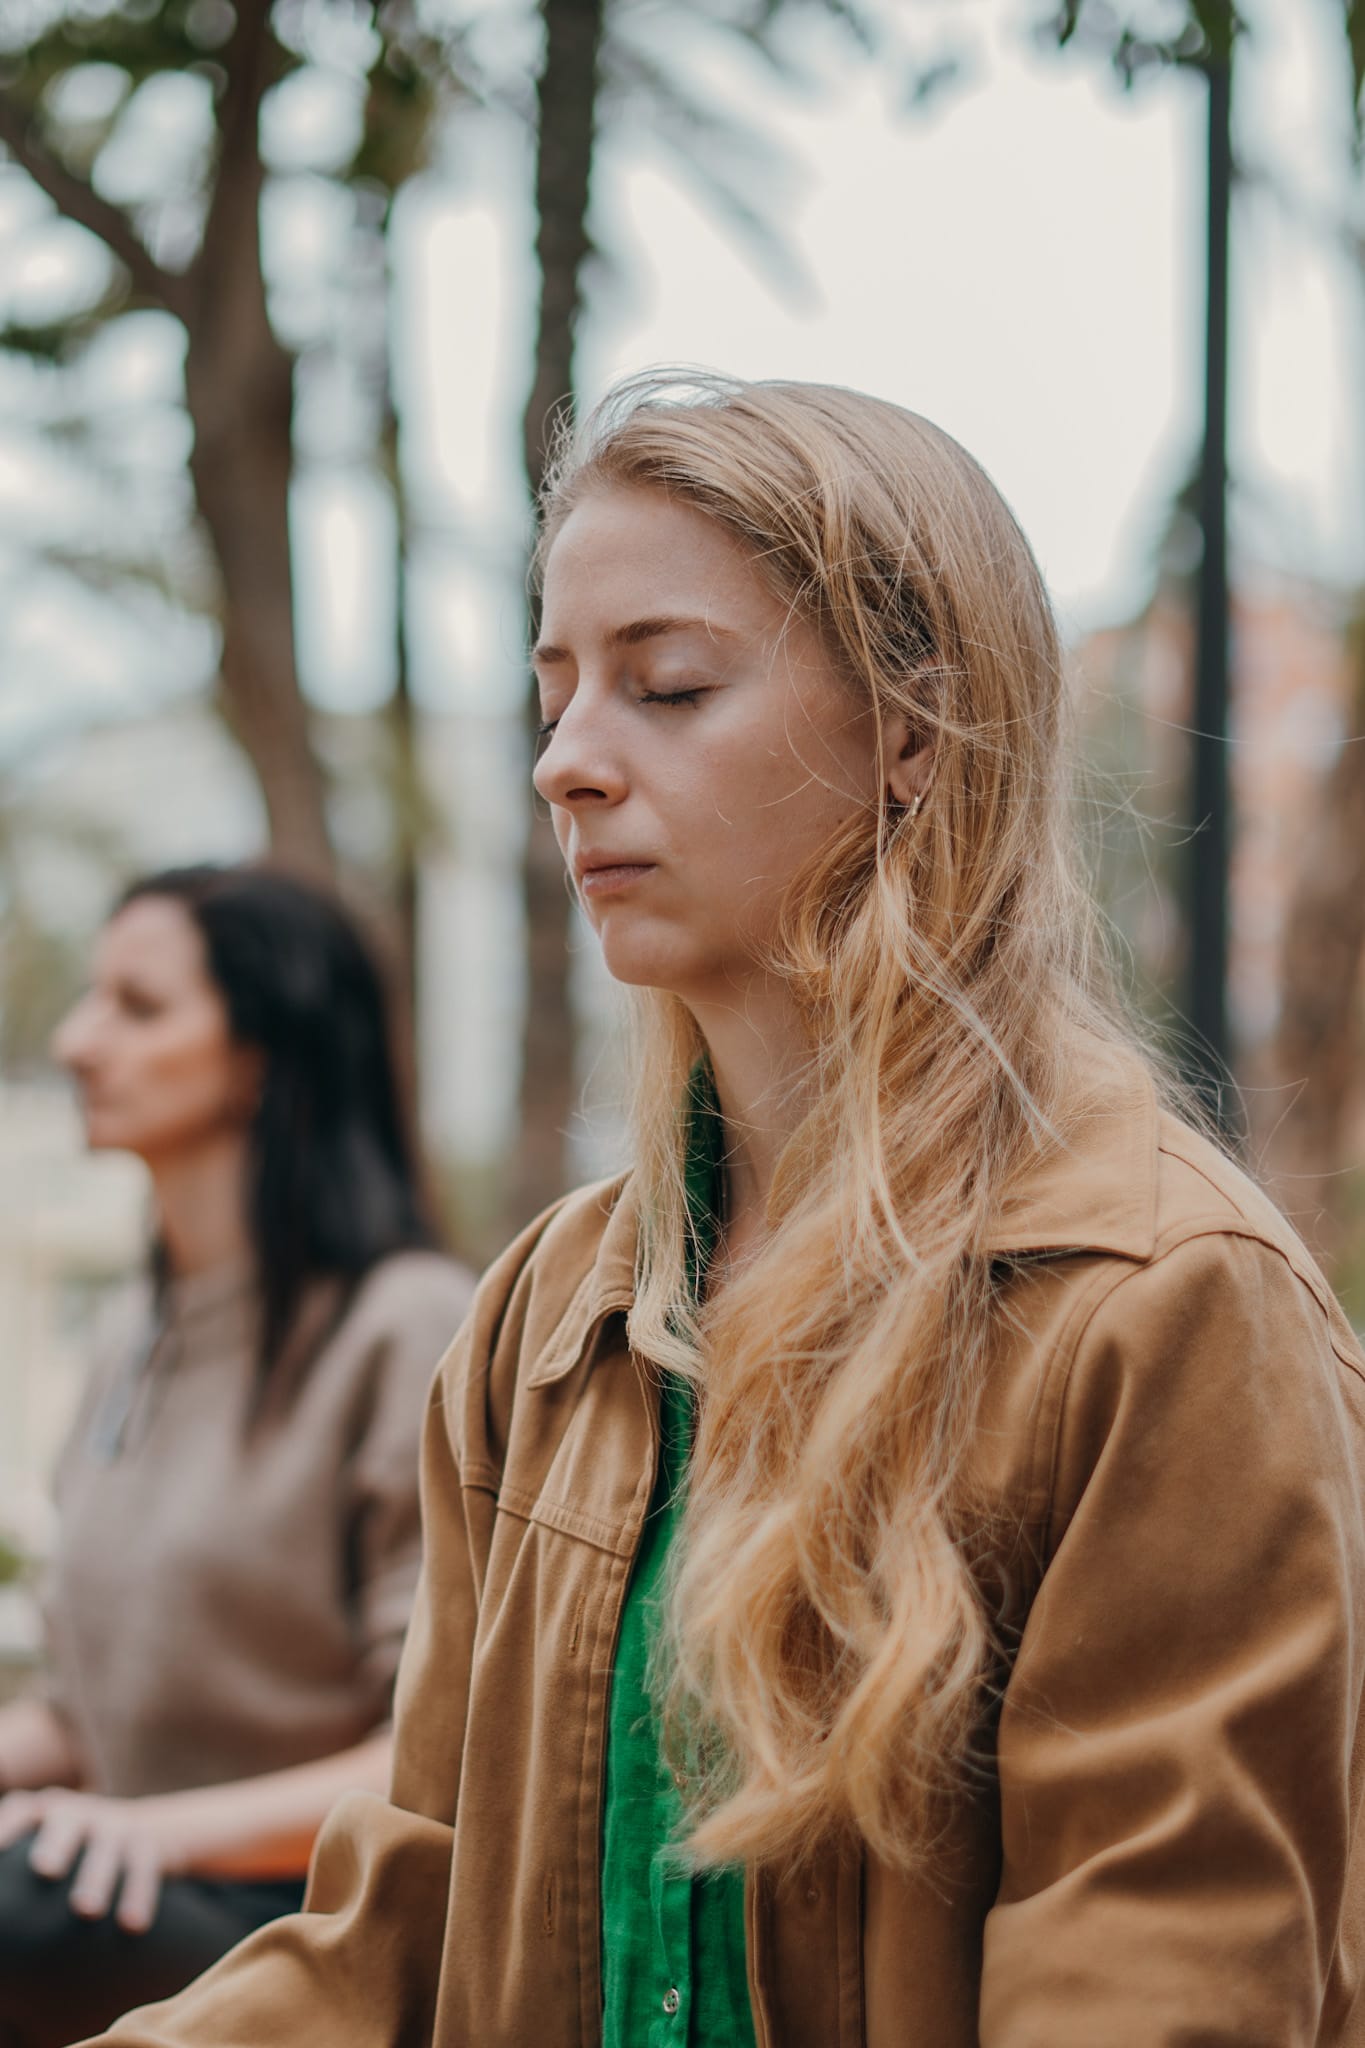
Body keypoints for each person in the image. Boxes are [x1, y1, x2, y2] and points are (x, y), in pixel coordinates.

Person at [75, 376, 1365, 2048]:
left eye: (666, 684)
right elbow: (400, 1930)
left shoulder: (1164, 1301)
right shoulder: (546, 1312)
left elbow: (1159, 1986)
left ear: (916, 733)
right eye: (553, 696)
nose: (567, 763)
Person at [0, 864, 473, 2048]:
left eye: (138, 1006)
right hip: (120, 1874)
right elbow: (79, 1702)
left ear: (265, 1053)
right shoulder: (130, 1341)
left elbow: (443, 1748)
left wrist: (158, 1829)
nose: (76, 1038)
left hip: (317, 1914)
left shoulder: (405, 1321)